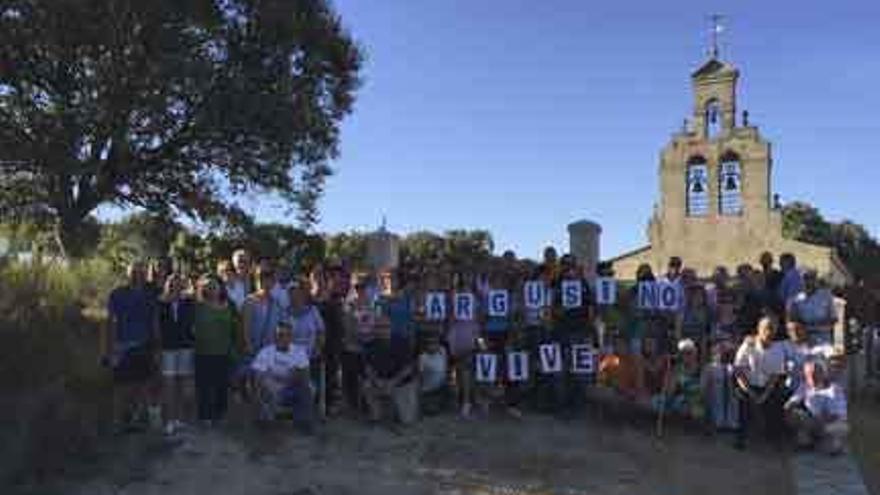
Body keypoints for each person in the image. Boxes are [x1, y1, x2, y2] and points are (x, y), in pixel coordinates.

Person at [102, 261, 160, 432]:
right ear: (128, 275)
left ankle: (136, 420)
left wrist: (157, 347)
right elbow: (111, 322)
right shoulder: (117, 294)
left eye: (141, 273)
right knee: (120, 387)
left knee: (143, 385)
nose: (137, 276)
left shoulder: (150, 296)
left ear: (145, 275)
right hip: (122, 347)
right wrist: (109, 349)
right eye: (134, 272)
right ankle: (117, 422)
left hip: (144, 345)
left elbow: (154, 322)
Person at [734, 316, 787, 449]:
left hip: (767, 387)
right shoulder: (748, 345)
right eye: (766, 328)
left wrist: (764, 394)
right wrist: (749, 391)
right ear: (759, 329)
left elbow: (775, 376)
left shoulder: (778, 350)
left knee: (777, 398)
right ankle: (741, 437)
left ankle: (774, 437)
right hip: (747, 385)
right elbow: (738, 371)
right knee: (742, 398)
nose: (769, 332)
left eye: (773, 329)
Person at [193, 275, 240, 424]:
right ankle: (205, 415)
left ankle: (220, 414)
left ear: (221, 287)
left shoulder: (229, 305)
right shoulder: (197, 305)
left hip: (224, 351)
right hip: (203, 352)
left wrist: (237, 346)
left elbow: (237, 327)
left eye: (215, 286)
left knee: (222, 385)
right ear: (203, 289)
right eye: (208, 286)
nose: (212, 288)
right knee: (204, 386)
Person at [251, 321, 313, 429]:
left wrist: (290, 379)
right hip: (272, 386)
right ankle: (267, 415)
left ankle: (302, 421)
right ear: (274, 336)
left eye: (287, 335)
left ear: (292, 337)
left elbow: (305, 374)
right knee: (266, 383)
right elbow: (257, 376)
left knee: (308, 387)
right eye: (280, 335)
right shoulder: (265, 352)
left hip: (291, 386)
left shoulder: (299, 351)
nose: (284, 338)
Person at [157, 273, 196, 436]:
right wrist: (157, 348)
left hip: (186, 348)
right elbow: (156, 326)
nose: (175, 286)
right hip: (167, 349)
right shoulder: (160, 303)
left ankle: (179, 419)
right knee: (169, 386)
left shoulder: (188, 302)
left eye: (179, 284)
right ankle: (168, 420)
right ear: (167, 285)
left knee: (183, 386)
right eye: (172, 284)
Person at [784, 359, 848, 454]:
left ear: (822, 373)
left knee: (830, 448)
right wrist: (790, 405)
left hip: (832, 424)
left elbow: (836, 415)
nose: (811, 376)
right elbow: (793, 400)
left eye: (814, 373)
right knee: (795, 414)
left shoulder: (835, 390)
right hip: (814, 420)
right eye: (808, 374)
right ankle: (806, 440)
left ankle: (832, 444)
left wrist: (819, 420)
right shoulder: (805, 385)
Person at [361, 321, 418, 425]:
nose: (382, 330)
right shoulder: (370, 344)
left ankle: (397, 408)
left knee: (406, 420)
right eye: (378, 327)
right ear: (374, 329)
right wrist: (376, 380)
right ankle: (376, 414)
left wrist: (393, 382)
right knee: (367, 385)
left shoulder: (402, 342)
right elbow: (367, 367)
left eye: (385, 327)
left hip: (402, 383)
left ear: (391, 327)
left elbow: (409, 368)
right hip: (381, 381)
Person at [447, 272, 480, 417]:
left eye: (469, 275)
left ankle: (467, 401)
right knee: (459, 369)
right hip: (457, 332)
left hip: (468, 331)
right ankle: (463, 399)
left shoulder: (475, 296)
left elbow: (478, 317)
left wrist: (477, 334)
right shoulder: (455, 294)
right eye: (465, 275)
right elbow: (450, 315)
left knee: (466, 368)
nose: (467, 278)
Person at [788, 270, 836, 346]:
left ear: (815, 280)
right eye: (805, 279)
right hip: (804, 340)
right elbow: (792, 322)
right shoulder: (796, 300)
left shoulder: (826, 296)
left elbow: (833, 319)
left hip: (823, 339)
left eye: (811, 278)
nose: (808, 282)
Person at [701, 341, 739, 431]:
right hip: (715, 401)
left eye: (726, 353)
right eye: (720, 352)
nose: (723, 355)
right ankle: (717, 423)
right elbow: (704, 386)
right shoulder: (709, 368)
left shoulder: (733, 368)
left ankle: (731, 422)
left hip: (731, 401)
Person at [418, 332, 450, 415]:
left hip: (442, 386)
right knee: (431, 411)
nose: (432, 345)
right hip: (429, 390)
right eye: (429, 343)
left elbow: (446, 367)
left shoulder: (443, 351)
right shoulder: (422, 357)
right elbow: (421, 376)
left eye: (435, 343)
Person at [759, 252, 784, 317]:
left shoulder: (777, 274)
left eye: (767, 261)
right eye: (764, 261)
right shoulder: (759, 275)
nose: (765, 263)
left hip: (774, 303)